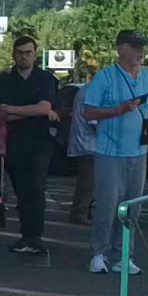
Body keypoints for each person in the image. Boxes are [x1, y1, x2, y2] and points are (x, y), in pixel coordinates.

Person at [82, 29, 148, 275]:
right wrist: (118, 109)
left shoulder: (147, 76)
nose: (140, 52)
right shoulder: (105, 76)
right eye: (135, 47)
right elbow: (89, 112)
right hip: (110, 152)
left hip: (137, 152)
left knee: (132, 208)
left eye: (142, 47)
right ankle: (98, 253)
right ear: (120, 49)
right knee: (107, 206)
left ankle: (123, 256)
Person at [0, 36, 57, 255]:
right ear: (13, 54)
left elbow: (43, 107)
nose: (24, 56)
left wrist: (18, 110)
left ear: (35, 54)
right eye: (20, 52)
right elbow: (2, 114)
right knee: (21, 190)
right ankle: (25, 236)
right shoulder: (5, 80)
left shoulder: (46, 79)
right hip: (15, 142)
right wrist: (36, 111)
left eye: (28, 52)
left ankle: (36, 237)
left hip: (41, 143)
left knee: (37, 188)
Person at [67, 82, 97, 224]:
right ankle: (80, 213)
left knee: (88, 181)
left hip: (85, 143)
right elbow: (94, 122)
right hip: (89, 144)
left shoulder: (87, 90)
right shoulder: (92, 93)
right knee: (88, 181)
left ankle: (81, 211)